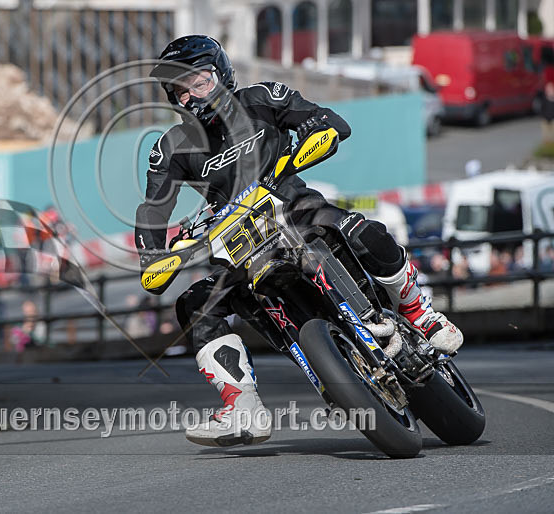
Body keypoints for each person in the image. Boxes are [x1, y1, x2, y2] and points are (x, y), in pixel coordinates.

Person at [135, 35, 464, 448]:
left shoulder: (262, 98)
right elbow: (152, 209)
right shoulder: (169, 148)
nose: (191, 96)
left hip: (296, 209)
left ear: (221, 74)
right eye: (179, 90)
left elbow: (328, 122)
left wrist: (312, 138)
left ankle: (420, 313)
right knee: (194, 304)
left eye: (197, 82)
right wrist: (152, 254)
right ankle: (242, 406)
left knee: (362, 230)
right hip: (234, 242)